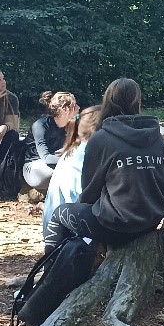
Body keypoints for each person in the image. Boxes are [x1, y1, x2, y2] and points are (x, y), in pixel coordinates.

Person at [48, 78, 164, 252]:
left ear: (108, 101)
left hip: (116, 226)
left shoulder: (101, 139)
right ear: (137, 102)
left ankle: (52, 266)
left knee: (58, 215)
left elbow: (89, 192)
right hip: (152, 221)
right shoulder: (156, 136)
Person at [41, 106, 100, 253]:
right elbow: (87, 198)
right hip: (69, 237)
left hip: (56, 230)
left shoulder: (75, 149)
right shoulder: (87, 155)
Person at [24, 91, 79, 191]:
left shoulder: (72, 125)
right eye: (74, 106)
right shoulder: (40, 125)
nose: (78, 108)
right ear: (64, 110)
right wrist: (72, 161)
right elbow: (46, 157)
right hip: (35, 166)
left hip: (58, 163)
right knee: (65, 173)